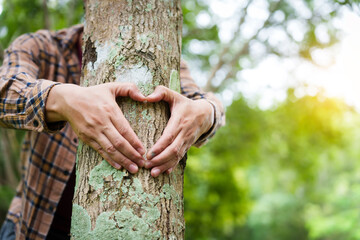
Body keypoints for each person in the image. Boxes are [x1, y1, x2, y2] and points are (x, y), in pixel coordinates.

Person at [0, 24, 225, 239]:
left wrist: (205, 113)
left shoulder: (169, 58)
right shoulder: (40, 45)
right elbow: (4, 91)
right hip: (30, 225)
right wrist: (62, 99)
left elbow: (208, 104)